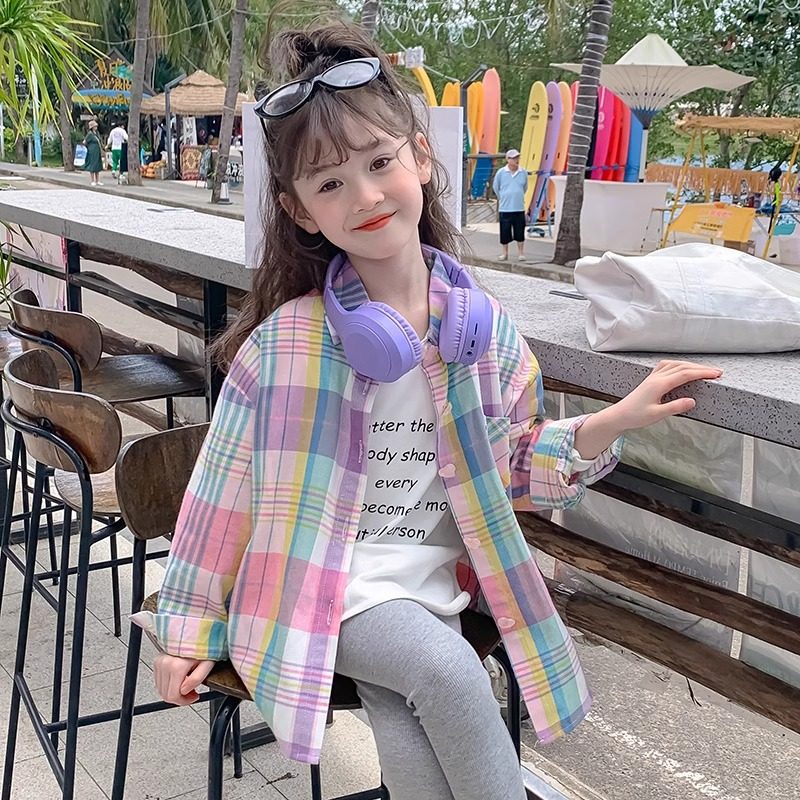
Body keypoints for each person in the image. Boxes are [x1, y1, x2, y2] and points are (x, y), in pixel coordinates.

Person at [135, 17, 722, 800]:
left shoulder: (484, 333)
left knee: (411, 730)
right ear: (300, 209)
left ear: (419, 156)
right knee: (444, 670)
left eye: (379, 162)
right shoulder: (285, 346)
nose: (365, 195)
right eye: (329, 183)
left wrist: (605, 425)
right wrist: (185, 629)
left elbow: (512, 470)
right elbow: (221, 494)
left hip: (433, 585)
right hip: (316, 589)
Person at [492, 149, 528, 262]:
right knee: (505, 231)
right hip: (505, 208)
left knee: (520, 231)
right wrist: (503, 197)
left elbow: (525, 187)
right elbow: (496, 187)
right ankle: (504, 253)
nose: (516, 160)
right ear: (508, 159)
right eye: (513, 158)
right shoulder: (501, 173)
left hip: (519, 207)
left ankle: (521, 253)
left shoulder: (523, 172)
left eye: (517, 157)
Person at [83, 119, 104, 187]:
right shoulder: (90, 134)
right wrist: (89, 147)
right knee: (92, 165)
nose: (96, 127)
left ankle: (97, 180)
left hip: (97, 151)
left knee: (97, 165)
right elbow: (84, 142)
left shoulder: (97, 134)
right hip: (92, 151)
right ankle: (92, 180)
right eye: (95, 126)